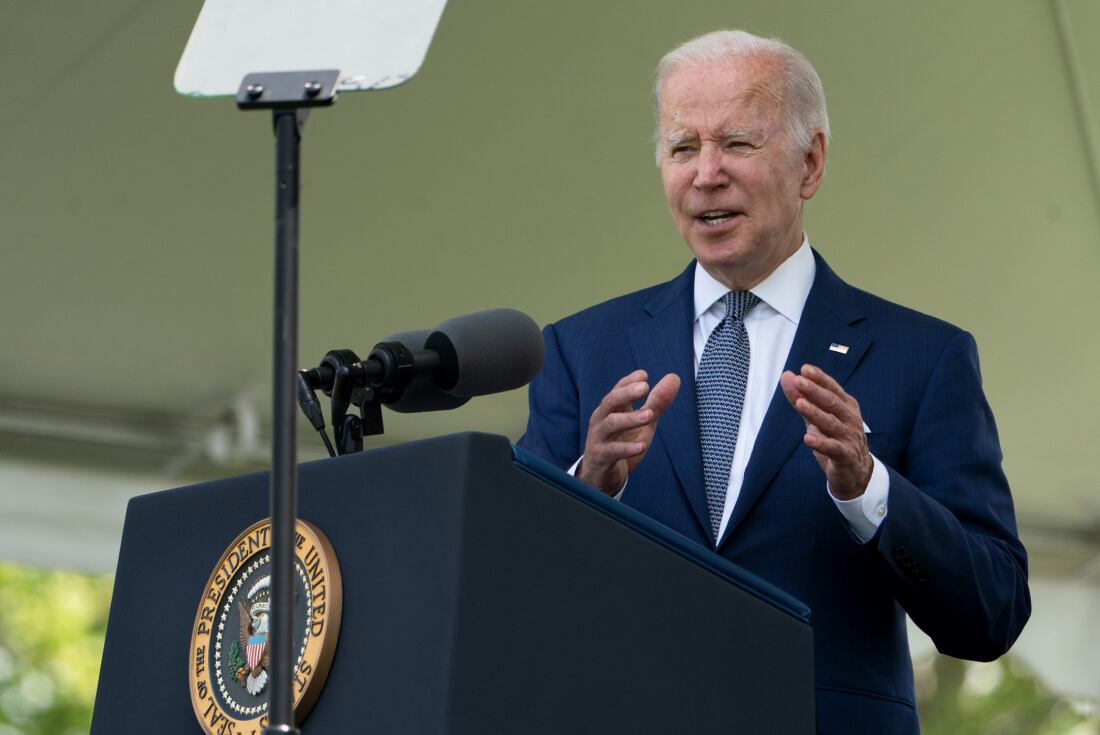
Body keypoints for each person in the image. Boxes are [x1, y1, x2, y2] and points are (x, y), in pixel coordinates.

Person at [517, 29, 1029, 735]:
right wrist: (585, 485)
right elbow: (507, 596)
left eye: (737, 144)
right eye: (682, 148)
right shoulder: (580, 350)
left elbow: (992, 611)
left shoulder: (924, 357)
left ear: (810, 163)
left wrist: (868, 488)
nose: (706, 173)